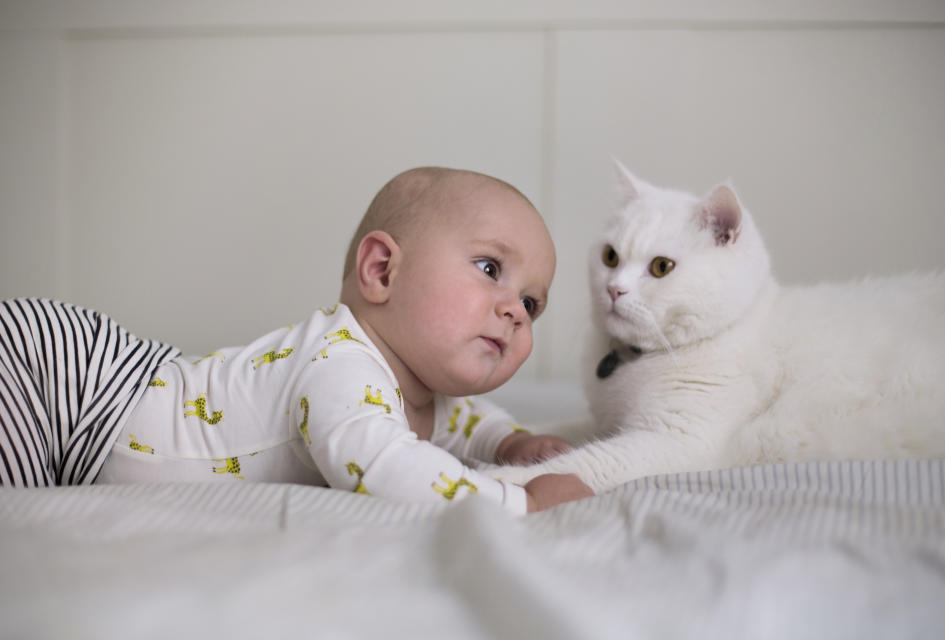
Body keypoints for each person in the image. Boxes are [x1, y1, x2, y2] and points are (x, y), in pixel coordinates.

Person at [0, 167, 593, 513]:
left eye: (533, 304)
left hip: (95, 399)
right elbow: (385, 465)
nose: (515, 311)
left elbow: (464, 422)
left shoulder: (423, 393)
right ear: (382, 271)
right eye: (491, 269)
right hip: (63, 383)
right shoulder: (340, 366)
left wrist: (509, 442)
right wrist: (524, 504)